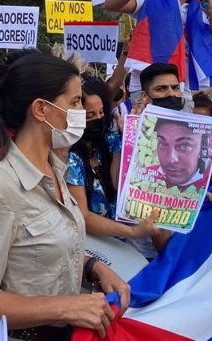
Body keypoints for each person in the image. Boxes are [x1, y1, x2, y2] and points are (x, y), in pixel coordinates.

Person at [0, 54, 130, 339]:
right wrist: (66, 307)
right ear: (41, 110)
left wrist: (91, 267)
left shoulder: (54, 168)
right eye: (74, 102)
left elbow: (37, 253)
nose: (82, 111)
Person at [67, 78, 160, 239]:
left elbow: (118, 183)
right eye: (90, 115)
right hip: (91, 242)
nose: (98, 118)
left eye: (101, 112)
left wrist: (129, 136)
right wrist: (133, 232)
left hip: (117, 237)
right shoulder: (70, 157)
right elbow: (84, 216)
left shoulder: (108, 140)